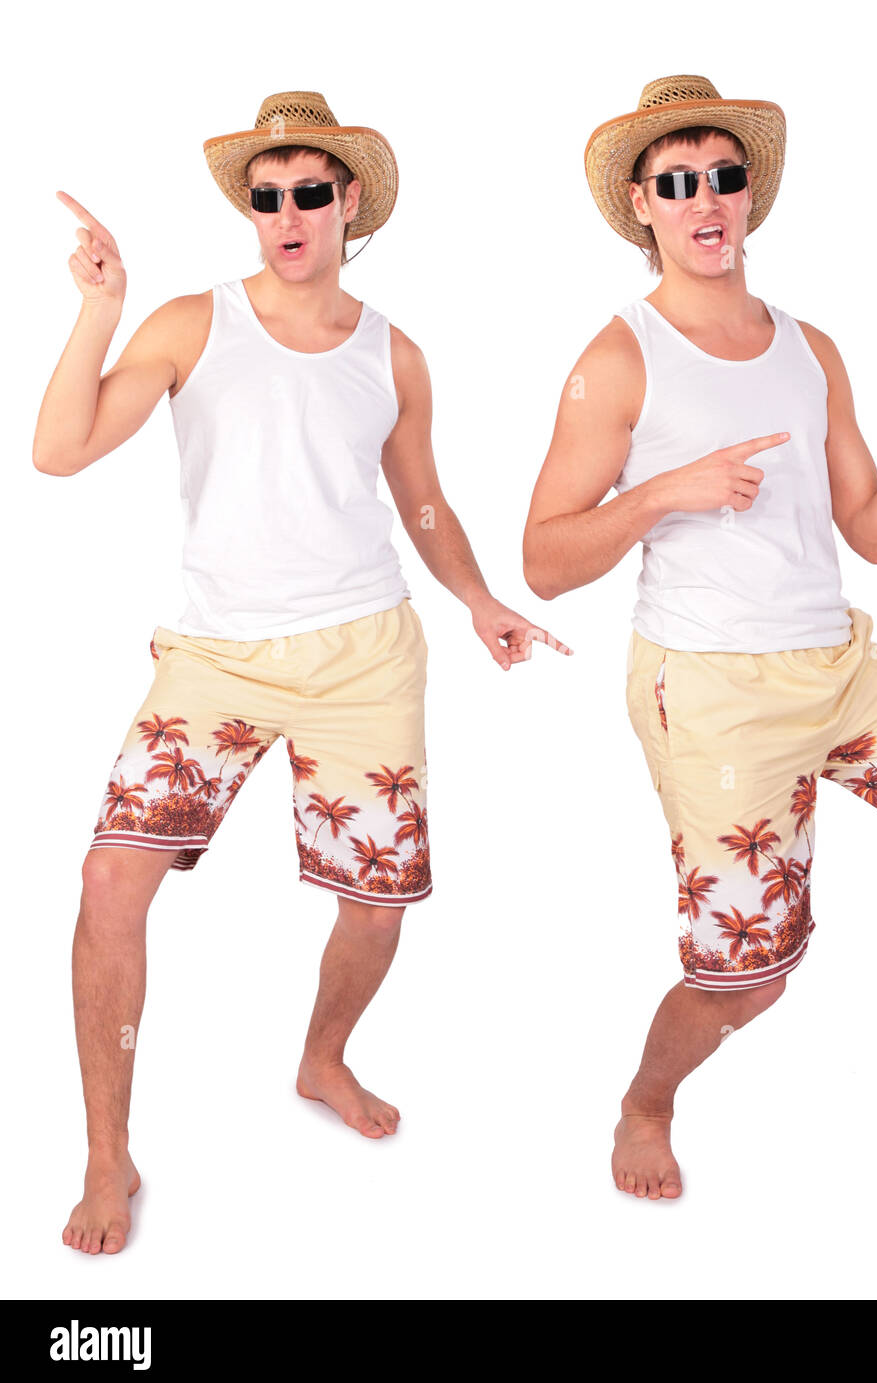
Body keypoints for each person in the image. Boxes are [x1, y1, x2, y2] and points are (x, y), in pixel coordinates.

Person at [523, 75, 877, 1214]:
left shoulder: (809, 346)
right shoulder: (618, 358)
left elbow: (869, 529)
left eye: (723, 176)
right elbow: (542, 556)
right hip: (711, 692)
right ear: (642, 205)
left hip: (836, 664)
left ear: (749, 195)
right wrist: (662, 493)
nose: (703, 200)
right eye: (675, 181)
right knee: (752, 981)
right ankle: (647, 1097)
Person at [35, 90, 569, 1255]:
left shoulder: (395, 352)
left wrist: (477, 598)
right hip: (215, 658)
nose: (285, 212)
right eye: (265, 196)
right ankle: (106, 1152)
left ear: (349, 204)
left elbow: (420, 500)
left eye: (308, 193)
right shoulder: (190, 323)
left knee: (375, 904)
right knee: (108, 885)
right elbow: (59, 451)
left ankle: (323, 1055)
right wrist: (101, 309)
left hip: (363, 655)